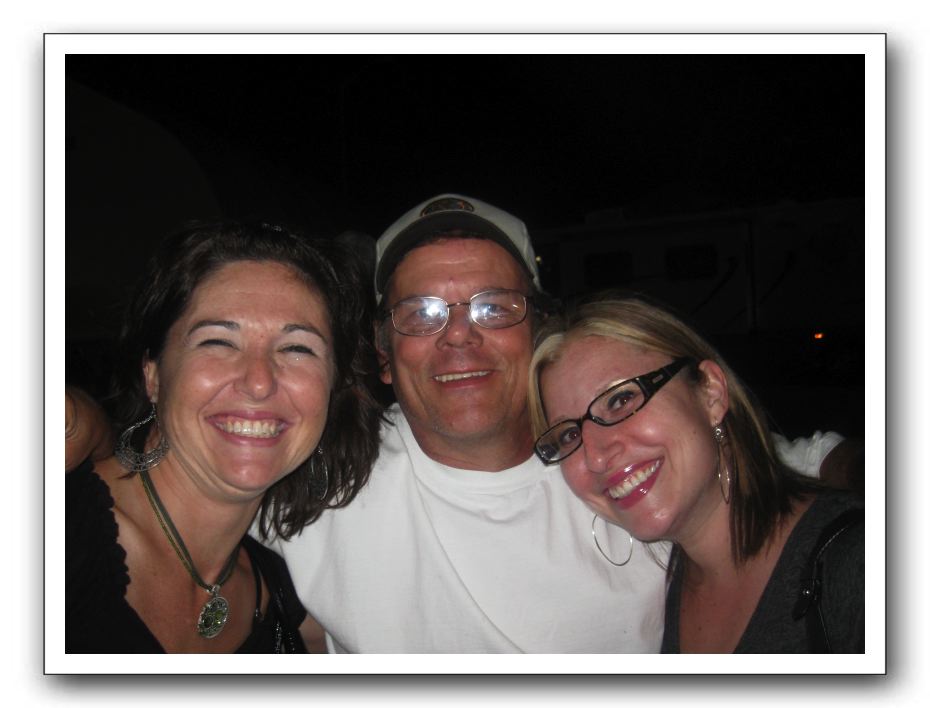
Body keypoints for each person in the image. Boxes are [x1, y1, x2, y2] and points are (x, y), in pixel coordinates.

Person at [263, 193, 849, 652]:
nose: (459, 335)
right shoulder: (322, 474)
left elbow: (785, 460)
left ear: (537, 331)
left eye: (494, 306)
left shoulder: (617, 460)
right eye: (422, 313)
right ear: (384, 354)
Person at [66, 221, 382, 653]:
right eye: (218, 342)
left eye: (297, 348)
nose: (259, 381)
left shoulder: (281, 593)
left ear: (332, 387)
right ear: (153, 375)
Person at [527, 294, 864, 652]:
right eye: (569, 435)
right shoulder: (664, 587)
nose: (595, 456)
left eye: (620, 400)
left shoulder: (859, 564)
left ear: (711, 393)